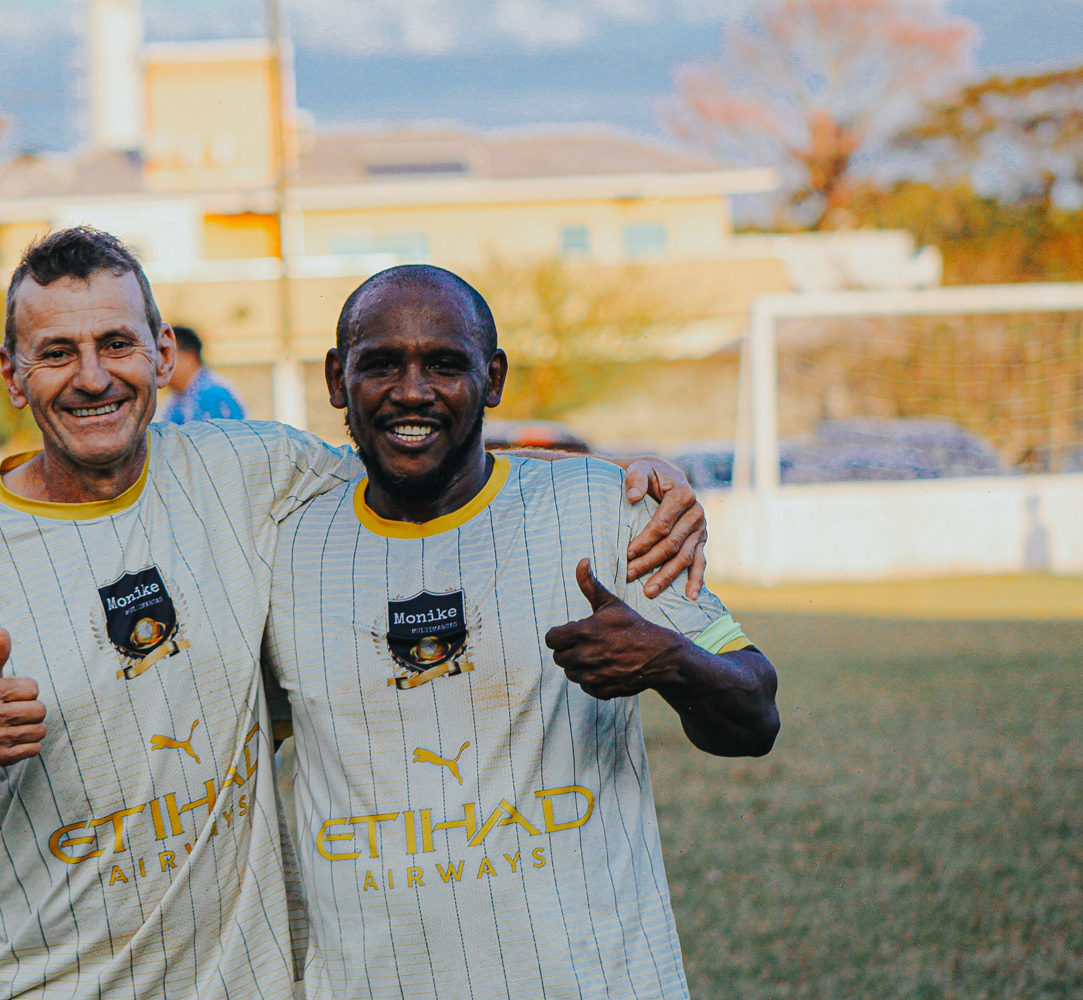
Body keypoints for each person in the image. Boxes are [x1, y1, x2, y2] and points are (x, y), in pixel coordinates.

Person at [0, 230, 708, 1000]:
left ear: (162, 352)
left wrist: (616, 483)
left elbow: (413, 446)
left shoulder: (247, 473)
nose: (91, 379)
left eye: (115, 344)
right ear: (11, 373)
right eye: (56, 353)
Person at [263, 265, 779, 998]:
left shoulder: (604, 511)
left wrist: (671, 660)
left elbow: (756, 714)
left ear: (493, 377)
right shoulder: (283, 550)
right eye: (381, 364)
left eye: (445, 363)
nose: (413, 390)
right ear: (336, 378)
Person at [157, 325, 248, 422]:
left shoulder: (214, 395)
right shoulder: (174, 400)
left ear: (190, 357)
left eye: (166, 356)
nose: (159, 365)